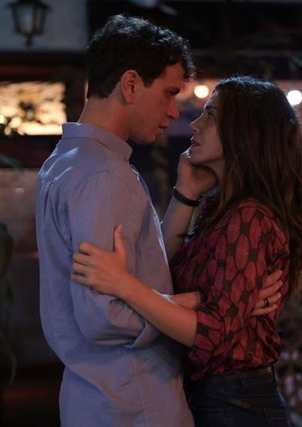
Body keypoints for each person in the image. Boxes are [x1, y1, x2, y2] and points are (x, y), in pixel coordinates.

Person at [36, 15, 282, 426]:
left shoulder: (66, 162)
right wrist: (206, 304)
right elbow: (104, 317)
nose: (174, 113)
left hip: (101, 393)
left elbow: (143, 274)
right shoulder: (104, 175)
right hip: (134, 400)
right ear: (131, 84)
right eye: (169, 93)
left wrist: (185, 195)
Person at [71, 76, 302, 426]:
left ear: (244, 133)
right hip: (221, 397)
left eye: (211, 115)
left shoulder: (249, 217)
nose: (194, 124)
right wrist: (186, 192)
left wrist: (122, 284)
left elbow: (209, 333)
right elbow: (163, 274)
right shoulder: (223, 210)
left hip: (235, 403)